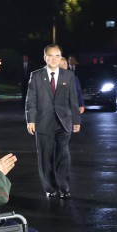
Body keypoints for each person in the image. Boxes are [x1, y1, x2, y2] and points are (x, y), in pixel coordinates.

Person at [25, 44, 81, 198]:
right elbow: (31, 101)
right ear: (45, 58)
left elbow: (73, 100)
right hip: (43, 122)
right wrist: (30, 120)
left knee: (62, 156)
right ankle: (50, 188)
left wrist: (76, 120)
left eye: (58, 55)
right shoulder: (36, 76)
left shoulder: (68, 75)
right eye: (51, 55)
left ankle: (63, 187)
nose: (54, 59)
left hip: (64, 122)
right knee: (45, 157)